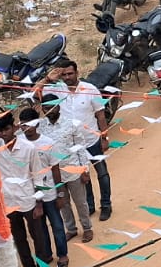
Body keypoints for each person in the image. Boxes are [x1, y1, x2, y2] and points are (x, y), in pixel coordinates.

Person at [40, 61, 112, 222]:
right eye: (64, 75)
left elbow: (100, 115)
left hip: (92, 140)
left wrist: (104, 137)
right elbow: (35, 93)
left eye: (70, 74)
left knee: (102, 173)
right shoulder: (56, 90)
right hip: (73, 145)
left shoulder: (90, 89)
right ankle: (90, 206)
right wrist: (48, 78)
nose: (67, 77)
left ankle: (106, 205)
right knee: (82, 176)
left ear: (77, 73)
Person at [0, 112, 53, 267]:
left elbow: (38, 175)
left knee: (38, 237)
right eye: (0, 131)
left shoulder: (28, 148)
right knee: (19, 240)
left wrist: (39, 203)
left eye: (6, 129)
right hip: (9, 203)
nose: (3, 134)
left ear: (14, 128)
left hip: (28, 199)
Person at [39, 99, 96, 243]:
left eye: (51, 107)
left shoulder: (71, 124)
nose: (49, 111)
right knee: (63, 203)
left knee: (81, 202)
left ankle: (87, 228)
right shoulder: (41, 127)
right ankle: (71, 229)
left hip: (74, 170)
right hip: (55, 174)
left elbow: (80, 148)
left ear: (58, 107)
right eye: (45, 108)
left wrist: (85, 170)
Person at [19, 106, 69, 267]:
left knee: (57, 225)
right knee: (39, 229)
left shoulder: (48, 143)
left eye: (29, 124)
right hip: (30, 194)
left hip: (49, 193)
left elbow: (55, 169)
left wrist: (60, 193)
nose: (26, 128)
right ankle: (46, 255)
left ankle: (62, 255)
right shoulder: (19, 143)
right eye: (23, 124)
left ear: (37, 124)